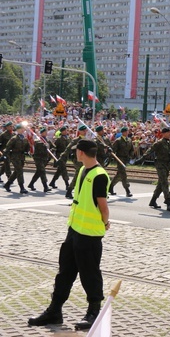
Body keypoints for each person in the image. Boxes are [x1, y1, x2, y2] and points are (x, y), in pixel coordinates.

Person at [27, 139, 111, 330]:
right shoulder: (83, 170)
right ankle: (55, 311)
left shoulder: (99, 175)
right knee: (65, 273)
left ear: (81, 153)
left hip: (89, 234)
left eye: (76, 152)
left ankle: (94, 312)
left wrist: (105, 223)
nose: (75, 154)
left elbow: (103, 206)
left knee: (90, 274)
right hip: (74, 230)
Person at [135, 127, 170, 211]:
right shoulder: (159, 143)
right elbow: (150, 150)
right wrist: (141, 159)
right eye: (168, 133)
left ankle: (153, 201)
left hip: (167, 164)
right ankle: (168, 202)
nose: (169, 134)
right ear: (164, 134)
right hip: (160, 164)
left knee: (161, 184)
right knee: (164, 182)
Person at [59, 125, 88, 199]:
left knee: (83, 176)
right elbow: (68, 148)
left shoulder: (87, 140)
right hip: (78, 160)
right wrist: (61, 157)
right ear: (80, 131)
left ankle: (75, 191)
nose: (85, 132)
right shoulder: (76, 140)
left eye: (85, 130)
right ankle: (69, 191)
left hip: (84, 160)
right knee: (78, 175)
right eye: (83, 131)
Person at [3, 124, 31, 194]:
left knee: (16, 172)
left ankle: (7, 184)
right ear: (17, 130)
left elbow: (27, 147)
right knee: (20, 171)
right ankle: (22, 187)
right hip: (15, 157)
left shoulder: (24, 138)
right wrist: (5, 155)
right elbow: (8, 148)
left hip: (21, 157)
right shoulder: (14, 138)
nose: (22, 130)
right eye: (21, 128)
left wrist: (27, 151)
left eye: (23, 128)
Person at [109, 126, 133, 197]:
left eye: (127, 131)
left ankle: (110, 187)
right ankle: (127, 190)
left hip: (126, 159)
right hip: (120, 159)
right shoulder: (118, 140)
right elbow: (113, 150)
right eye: (125, 131)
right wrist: (111, 158)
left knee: (119, 174)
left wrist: (130, 156)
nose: (127, 133)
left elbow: (132, 149)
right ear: (122, 133)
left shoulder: (129, 140)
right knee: (123, 174)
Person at [27, 127, 52, 193]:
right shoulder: (38, 141)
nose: (46, 133)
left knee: (39, 172)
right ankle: (45, 187)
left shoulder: (47, 140)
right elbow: (37, 149)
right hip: (38, 158)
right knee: (42, 171)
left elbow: (52, 146)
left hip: (44, 159)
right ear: (42, 133)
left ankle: (31, 184)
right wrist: (44, 146)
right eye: (45, 132)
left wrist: (51, 149)